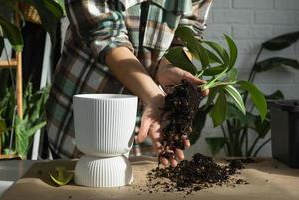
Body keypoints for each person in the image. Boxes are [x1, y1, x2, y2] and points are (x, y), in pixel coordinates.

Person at [46, 0, 212, 167]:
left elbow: (189, 29)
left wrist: (169, 65)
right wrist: (155, 96)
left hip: (147, 128)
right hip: (87, 116)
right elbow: (104, 34)